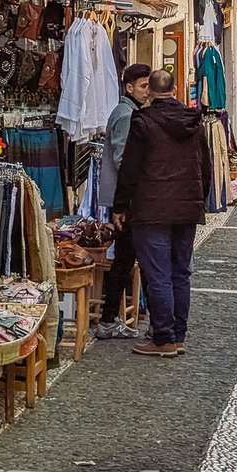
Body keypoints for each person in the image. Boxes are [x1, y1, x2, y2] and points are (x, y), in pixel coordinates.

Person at [113, 69, 211, 358]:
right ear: (176, 88)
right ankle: (177, 335)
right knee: (181, 273)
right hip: (185, 208)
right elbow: (205, 168)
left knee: (158, 274)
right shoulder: (193, 123)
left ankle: (164, 337)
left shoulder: (142, 122)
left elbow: (130, 169)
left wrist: (120, 206)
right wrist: (198, 199)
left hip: (151, 208)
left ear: (150, 91)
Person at [95, 63, 152, 341]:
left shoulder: (128, 112)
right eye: (143, 86)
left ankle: (110, 319)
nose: (147, 91)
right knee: (125, 260)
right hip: (126, 199)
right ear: (129, 88)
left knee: (125, 259)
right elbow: (123, 159)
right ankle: (108, 319)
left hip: (124, 197)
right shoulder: (126, 115)